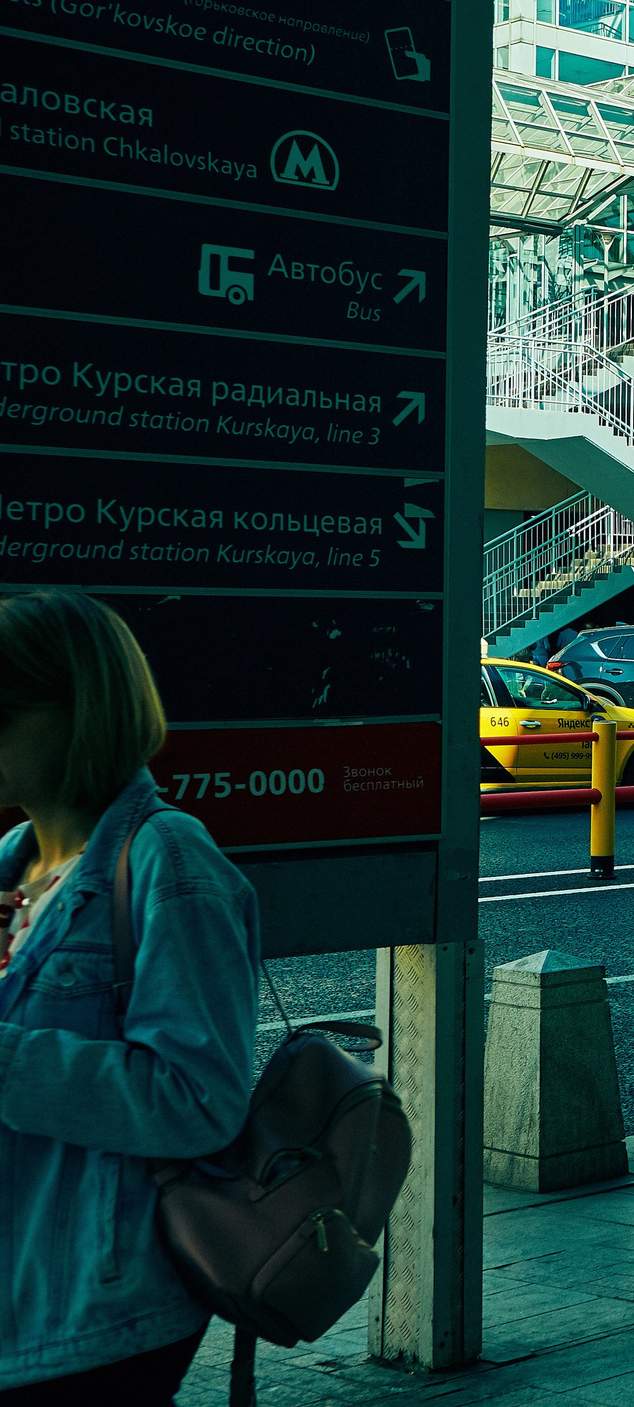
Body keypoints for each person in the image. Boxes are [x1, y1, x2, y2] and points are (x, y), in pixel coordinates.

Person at [0, 591, 259, 1403]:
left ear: (82, 707)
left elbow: (198, 1098)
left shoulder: (169, 863)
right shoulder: (13, 857)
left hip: (98, 1310)